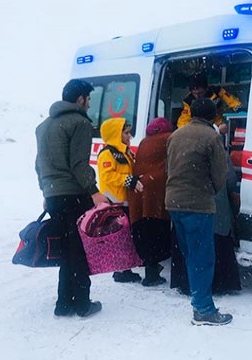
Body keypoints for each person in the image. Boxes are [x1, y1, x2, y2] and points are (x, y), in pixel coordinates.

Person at [35, 79, 108, 318]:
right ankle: (82, 304)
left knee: (66, 250)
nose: (89, 104)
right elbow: (79, 164)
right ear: (80, 99)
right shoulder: (79, 123)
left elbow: (39, 165)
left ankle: (64, 303)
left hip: (54, 195)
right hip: (74, 194)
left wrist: (46, 191)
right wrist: (94, 191)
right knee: (79, 250)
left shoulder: (44, 126)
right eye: (88, 98)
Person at [166, 98, 232, 326]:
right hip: (197, 205)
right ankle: (203, 309)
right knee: (202, 258)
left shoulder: (176, 135)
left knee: (190, 254)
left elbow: (171, 167)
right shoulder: (212, 137)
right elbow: (220, 174)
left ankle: (198, 299)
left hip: (174, 202)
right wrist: (210, 191)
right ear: (213, 116)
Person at [170, 151, 242, 295]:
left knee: (190, 245)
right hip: (213, 206)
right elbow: (229, 180)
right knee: (215, 242)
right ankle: (217, 284)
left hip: (184, 203)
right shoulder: (215, 147)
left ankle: (186, 282)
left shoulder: (180, 145)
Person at [97, 117, 144, 283]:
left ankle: (125, 268)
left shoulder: (125, 152)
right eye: (126, 133)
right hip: (114, 202)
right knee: (119, 237)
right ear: (116, 134)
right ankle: (121, 271)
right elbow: (107, 176)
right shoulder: (107, 154)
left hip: (125, 201)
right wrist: (128, 180)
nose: (129, 136)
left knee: (126, 236)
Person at [129, 117, 173, 286]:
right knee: (157, 230)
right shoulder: (168, 138)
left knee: (146, 231)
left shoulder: (144, 142)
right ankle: (152, 273)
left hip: (140, 189)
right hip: (156, 190)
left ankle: (150, 268)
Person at [176, 71, 242, 134]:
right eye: (194, 93)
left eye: (200, 93)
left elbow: (232, 101)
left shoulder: (217, 91)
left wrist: (239, 109)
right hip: (200, 128)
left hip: (219, 125)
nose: (197, 96)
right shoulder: (188, 101)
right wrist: (183, 131)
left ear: (206, 88)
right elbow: (184, 119)